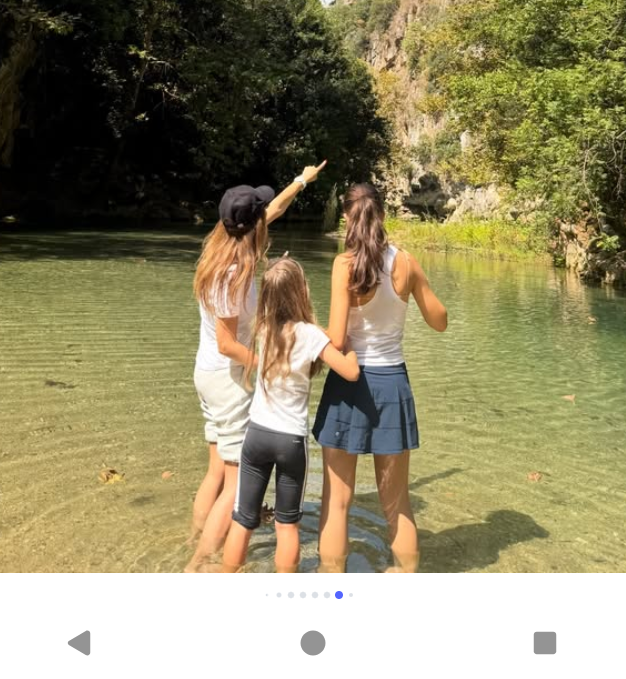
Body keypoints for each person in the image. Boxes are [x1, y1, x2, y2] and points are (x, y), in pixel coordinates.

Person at [186, 162, 326, 571]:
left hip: (206, 374)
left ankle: (194, 540)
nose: (268, 215)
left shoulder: (222, 249)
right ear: (253, 226)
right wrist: (271, 366)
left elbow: (273, 209)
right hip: (227, 380)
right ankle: (199, 563)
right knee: (235, 483)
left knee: (217, 470)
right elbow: (227, 343)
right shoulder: (233, 273)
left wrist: (301, 181)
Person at [313, 182, 447, 572]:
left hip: (349, 384)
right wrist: (416, 286)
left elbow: (338, 339)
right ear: (383, 216)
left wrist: (308, 331)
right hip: (393, 385)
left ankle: (332, 581)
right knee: (397, 502)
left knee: (337, 502)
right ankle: (404, 575)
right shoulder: (406, 262)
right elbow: (440, 321)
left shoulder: (344, 265)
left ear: (346, 217)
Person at [222, 256, 359, 574]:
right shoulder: (311, 335)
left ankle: (227, 578)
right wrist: (351, 347)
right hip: (290, 440)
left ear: (267, 295)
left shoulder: (263, 329)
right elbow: (350, 372)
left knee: (243, 519)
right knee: (287, 525)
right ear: (301, 291)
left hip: (257, 434)